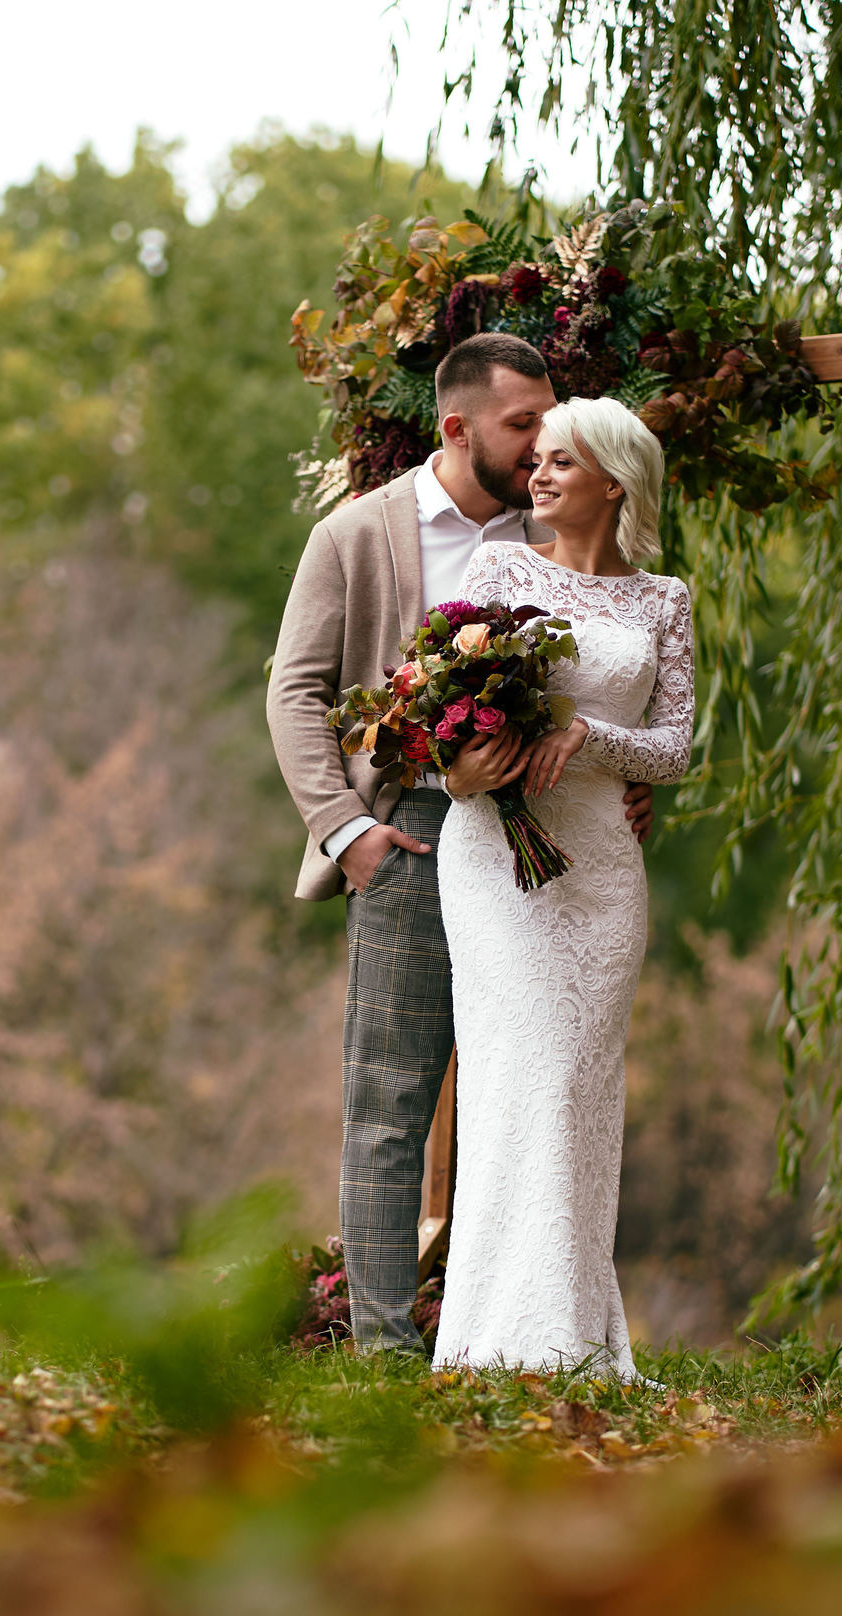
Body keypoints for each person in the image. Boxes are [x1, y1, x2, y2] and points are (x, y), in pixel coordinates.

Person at [264, 336, 658, 1356]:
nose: (542, 447)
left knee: (531, 1087)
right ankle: (385, 1350)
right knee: (391, 1097)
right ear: (456, 427)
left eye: (552, 428)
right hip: (407, 835)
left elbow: (617, 688)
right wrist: (346, 832)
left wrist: (617, 782)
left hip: (543, 844)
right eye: (523, 426)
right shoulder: (356, 534)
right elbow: (294, 691)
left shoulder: (555, 523)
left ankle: (512, 1331)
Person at [431, 396, 692, 1376]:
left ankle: (570, 1333)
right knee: (519, 1077)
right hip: (497, 856)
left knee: (579, 1084)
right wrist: (468, 762)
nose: (536, 475)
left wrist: (589, 736)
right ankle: (495, 1337)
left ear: (615, 482)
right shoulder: (498, 571)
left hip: (603, 867)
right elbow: (443, 716)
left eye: (560, 463)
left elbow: (673, 748)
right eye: (535, 459)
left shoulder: (664, 600)